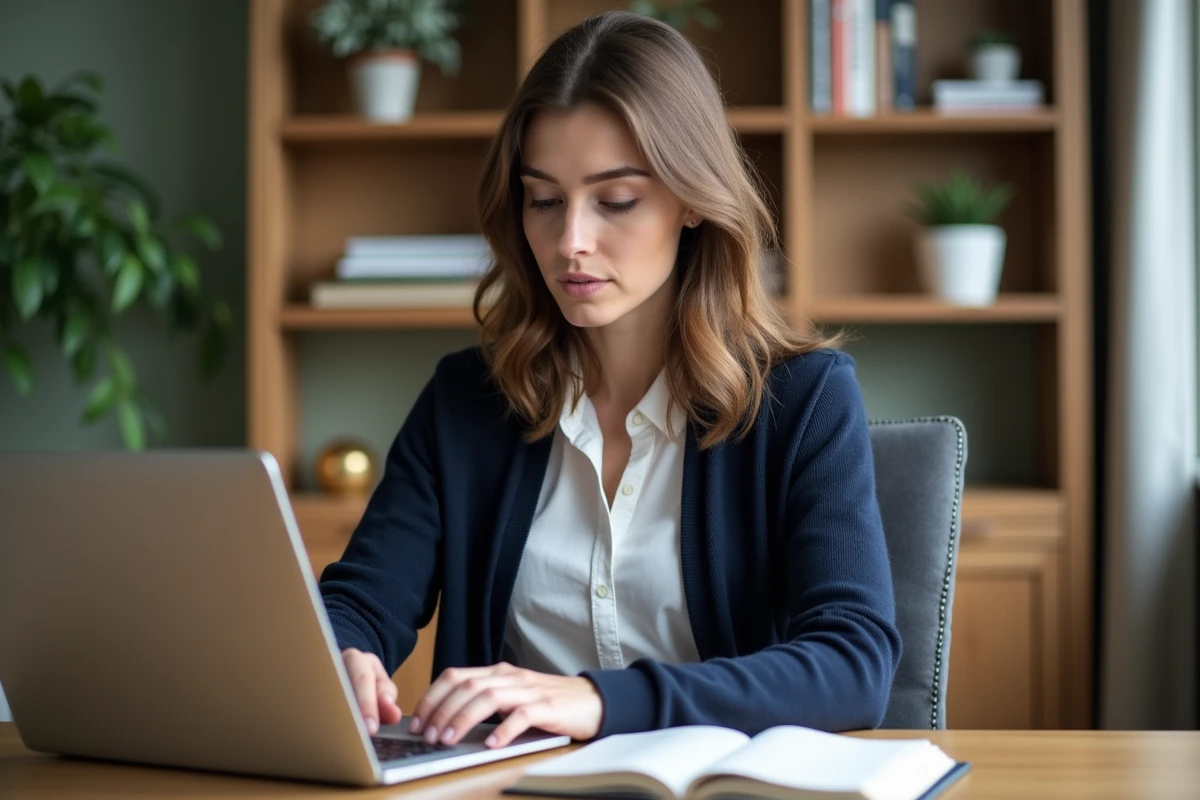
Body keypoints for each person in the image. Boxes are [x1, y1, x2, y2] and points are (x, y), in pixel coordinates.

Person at [318, 10, 901, 752]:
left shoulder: (806, 399)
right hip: (507, 786)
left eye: (616, 200)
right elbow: (362, 600)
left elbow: (853, 664)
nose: (571, 242)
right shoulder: (464, 400)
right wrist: (341, 651)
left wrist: (600, 700)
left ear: (693, 200)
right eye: (544, 199)